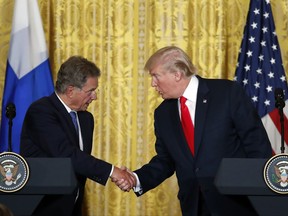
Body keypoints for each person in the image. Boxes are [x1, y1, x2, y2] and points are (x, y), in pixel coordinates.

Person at [113, 46, 273, 215]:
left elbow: (256, 144)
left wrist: (260, 195)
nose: (153, 83)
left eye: (155, 76)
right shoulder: (163, 113)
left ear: (177, 74)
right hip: (194, 206)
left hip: (236, 204)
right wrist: (136, 178)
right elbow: (165, 160)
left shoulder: (227, 93)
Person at [20, 56, 136, 216]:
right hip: (42, 208)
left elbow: (80, 162)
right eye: (90, 91)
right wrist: (112, 171)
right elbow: (66, 155)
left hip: (72, 207)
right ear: (70, 90)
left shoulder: (85, 118)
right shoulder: (41, 111)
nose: (94, 97)